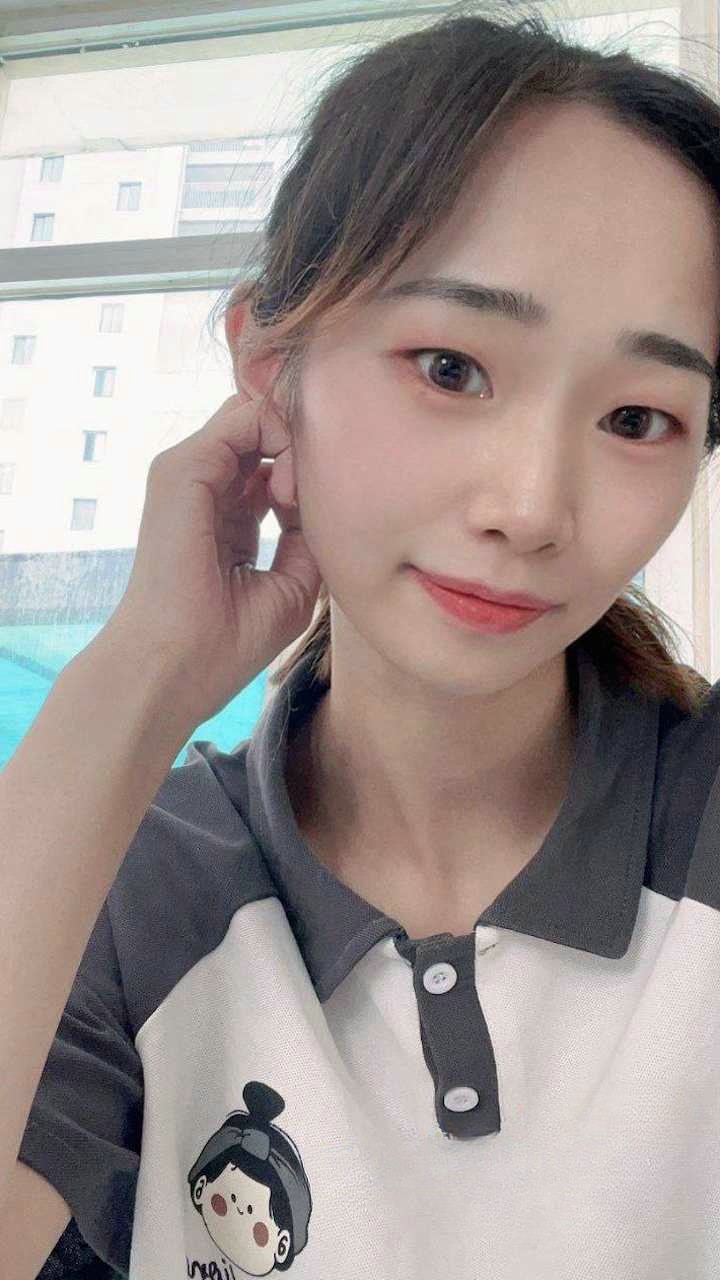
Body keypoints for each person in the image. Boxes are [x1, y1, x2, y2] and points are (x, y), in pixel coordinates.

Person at [2, 1, 720, 1276]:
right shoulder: (124, 899)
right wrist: (135, 681)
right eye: (449, 366)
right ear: (270, 366)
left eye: (637, 418)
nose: (531, 508)